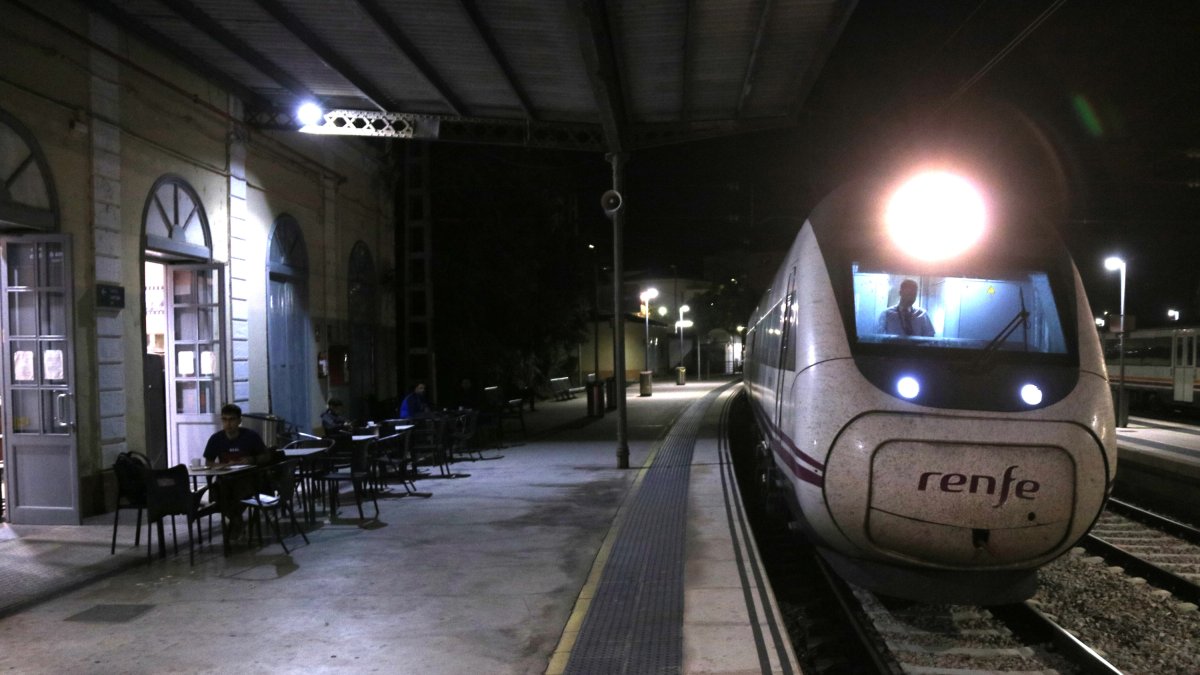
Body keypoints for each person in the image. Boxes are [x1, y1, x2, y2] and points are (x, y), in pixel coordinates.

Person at [203, 404, 272, 466]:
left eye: (232, 419)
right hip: (226, 475)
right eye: (224, 419)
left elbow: (267, 457)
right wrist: (225, 466)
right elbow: (208, 463)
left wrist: (252, 460)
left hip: (248, 474)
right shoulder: (215, 438)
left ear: (239, 421)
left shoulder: (251, 436)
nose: (228, 423)